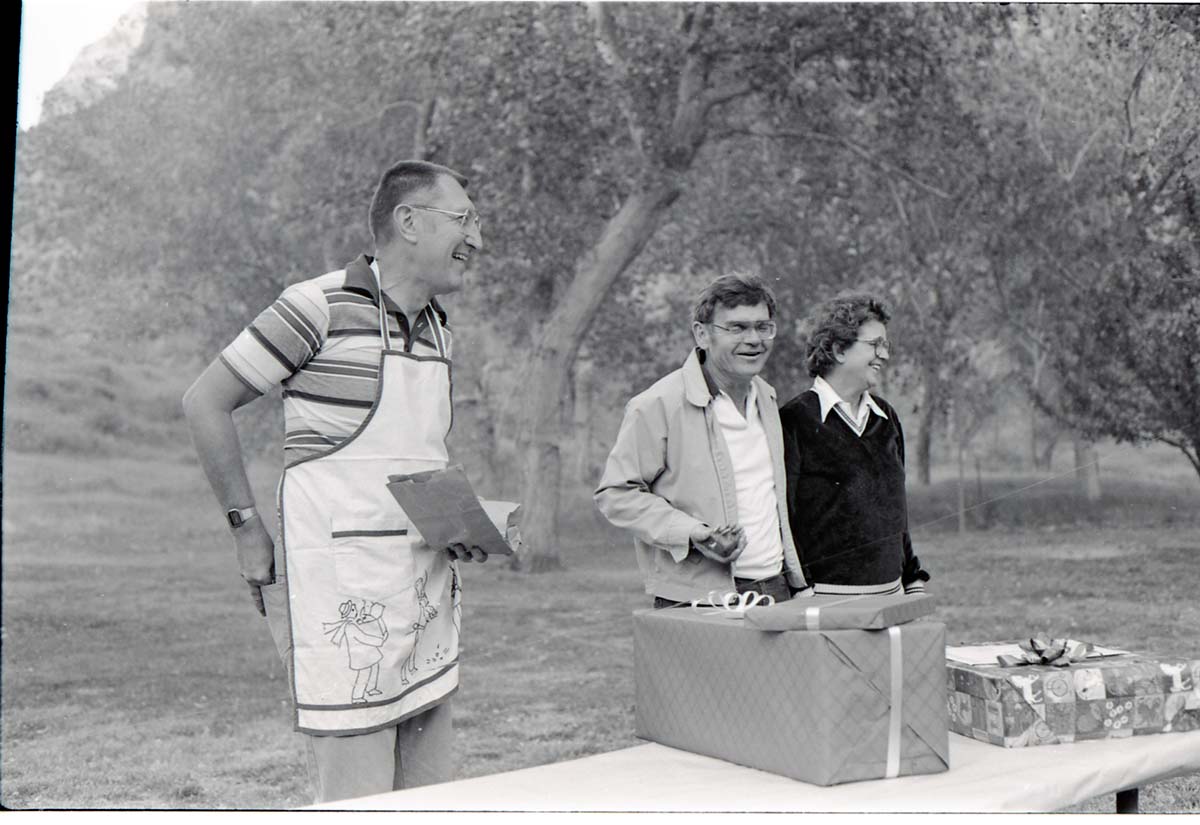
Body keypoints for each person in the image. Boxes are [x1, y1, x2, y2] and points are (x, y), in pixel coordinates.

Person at [182, 159, 486, 803]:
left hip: (423, 590)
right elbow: (205, 402)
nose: (477, 239)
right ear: (409, 221)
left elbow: (412, 457)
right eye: (464, 220)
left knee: (430, 799)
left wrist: (459, 523)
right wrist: (245, 527)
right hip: (340, 591)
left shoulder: (440, 329)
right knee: (358, 801)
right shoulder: (315, 306)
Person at [594, 274, 808, 607]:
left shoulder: (766, 397)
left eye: (763, 327)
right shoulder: (657, 404)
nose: (754, 339)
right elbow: (616, 493)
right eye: (737, 328)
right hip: (699, 599)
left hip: (776, 589)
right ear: (702, 334)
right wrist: (692, 533)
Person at [779, 292, 930, 596]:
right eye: (875, 344)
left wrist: (912, 578)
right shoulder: (794, 420)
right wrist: (802, 589)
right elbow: (785, 519)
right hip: (827, 600)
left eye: (886, 346)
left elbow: (896, 509)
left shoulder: (886, 417)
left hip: (891, 596)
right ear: (838, 350)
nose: (884, 355)